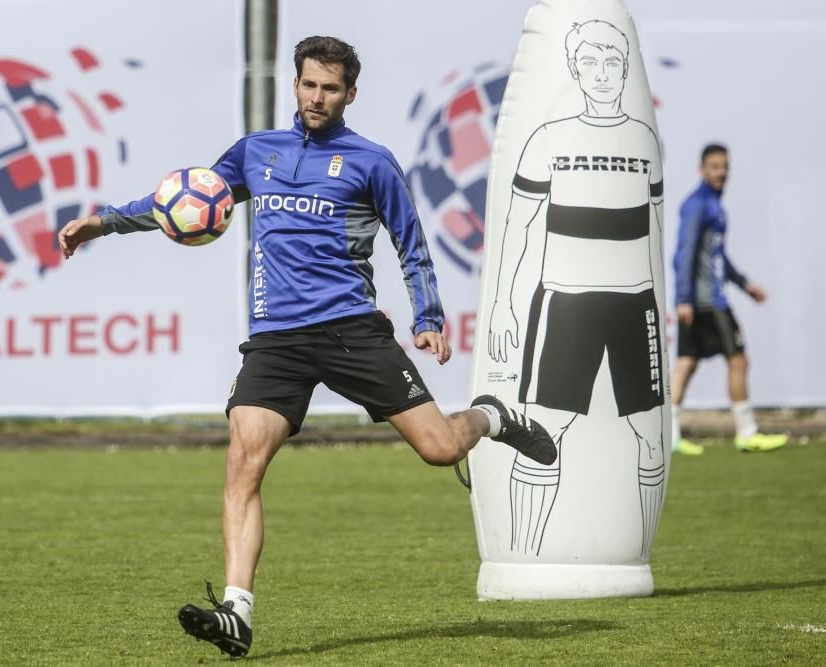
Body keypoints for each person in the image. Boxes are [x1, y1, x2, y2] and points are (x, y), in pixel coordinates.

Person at [57, 36, 556, 658]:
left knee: (439, 447)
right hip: (276, 340)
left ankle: (491, 415)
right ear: (294, 85)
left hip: (351, 329)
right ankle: (237, 611)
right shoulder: (255, 152)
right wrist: (103, 222)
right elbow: (186, 202)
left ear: (350, 93)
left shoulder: (372, 162)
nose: (317, 97)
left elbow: (413, 244)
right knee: (243, 461)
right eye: (308, 84)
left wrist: (426, 316)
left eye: (330, 88)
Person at [486, 20, 667, 559]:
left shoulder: (642, 139)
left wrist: (663, 301)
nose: (603, 74)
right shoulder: (549, 139)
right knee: (543, 432)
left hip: (636, 306)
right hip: (565, 302)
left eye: (613, 62)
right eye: (590, 62)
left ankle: (633, 557)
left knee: (650, 434)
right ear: (573, 70)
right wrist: (501, 305)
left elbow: (656, 225)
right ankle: (525, 557)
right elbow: (516, 226)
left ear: (626, 68)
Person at [670, 144, 788, 455]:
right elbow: (684, 253)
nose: (721, 172)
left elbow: (718, 257)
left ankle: (669, 437)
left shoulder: (714, 206)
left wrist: (745, 285)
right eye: (714, 166)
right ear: (702, 170)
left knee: (686, 363)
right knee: (738, 360)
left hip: (704, 299)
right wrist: (683, 298)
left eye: (724, 166)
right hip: (709, 302)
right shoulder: (698, 205)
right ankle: (747, 433)